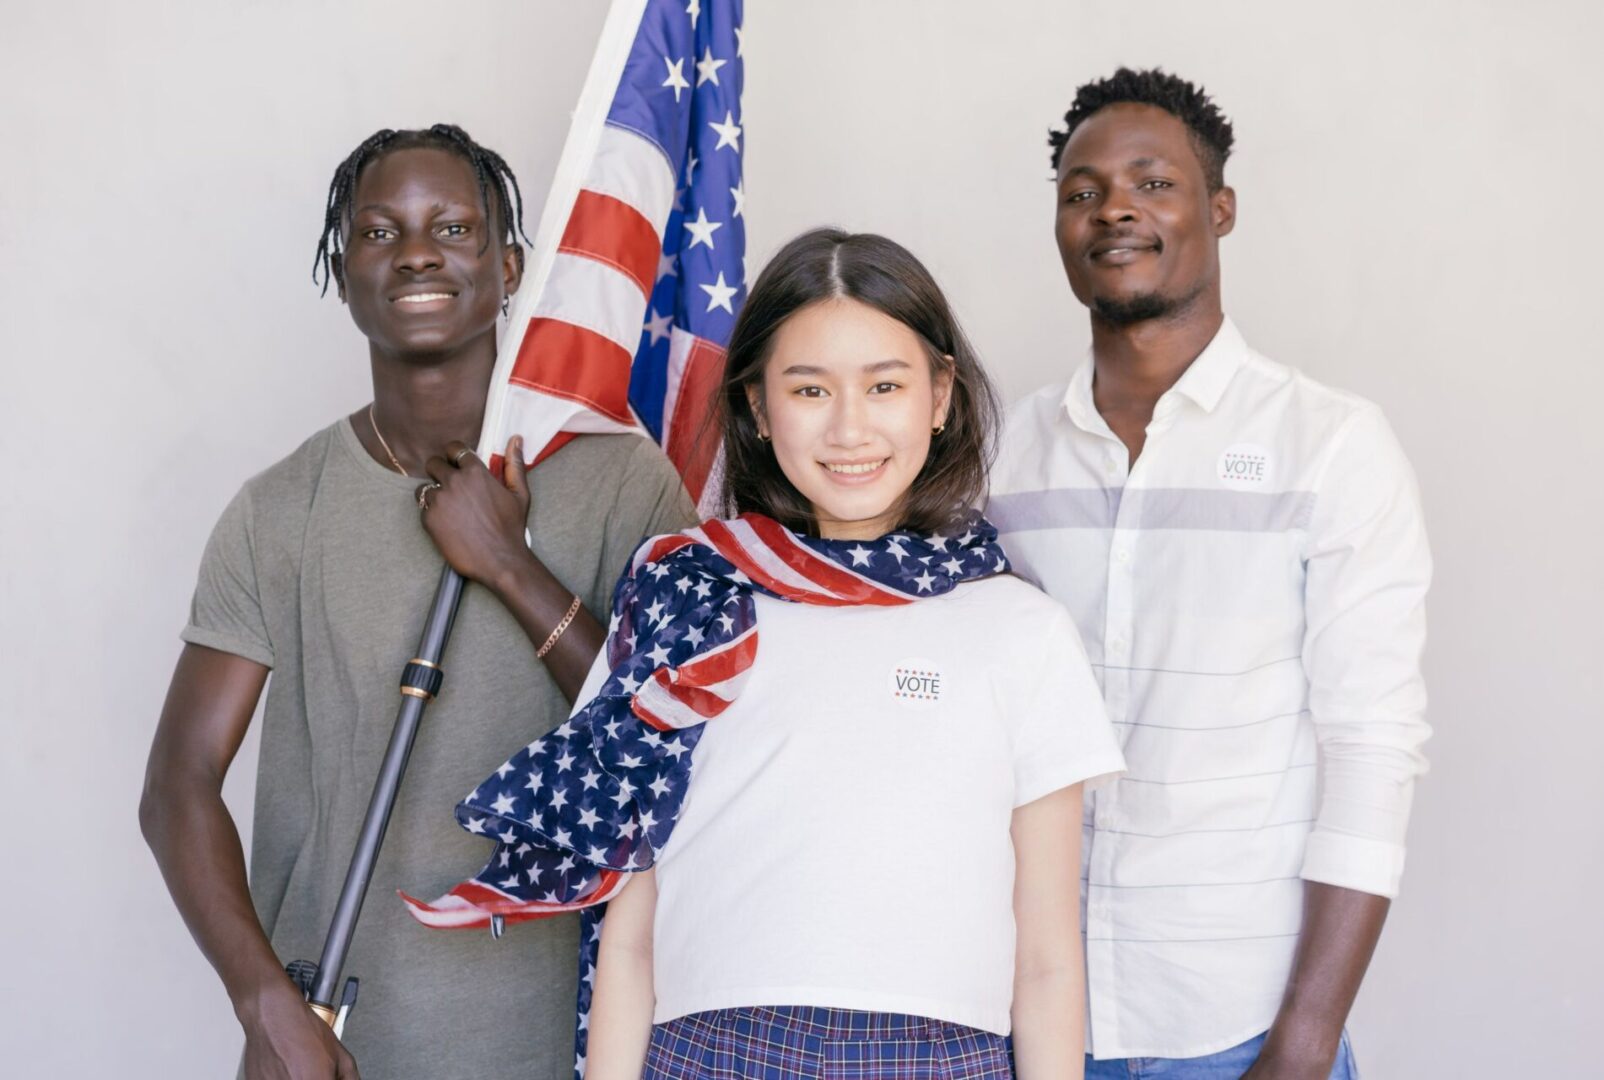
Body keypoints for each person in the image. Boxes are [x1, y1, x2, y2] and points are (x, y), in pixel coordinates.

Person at [422, 228, 1125, 1079]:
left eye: (886, 385)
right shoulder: (690, 605)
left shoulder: (1019, 630)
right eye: (809, 389)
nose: (849, 426)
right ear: (758, 407)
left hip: (944, 1057)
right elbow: (632, 940)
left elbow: (1048, 960)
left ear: (941, 396)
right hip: (711, 1051)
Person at [139, 124, 696, 1080]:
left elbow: (669, 743)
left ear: (511, 264)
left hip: (575, 1034)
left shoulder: (622, 481)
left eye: (453, 227)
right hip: (336, 1035)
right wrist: (264, 1002)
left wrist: (510, 567)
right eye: (378, 233)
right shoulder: (280, 510)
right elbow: (178, 783)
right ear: (341, 270)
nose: (418, 254)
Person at [989, 68, 1433, 1079]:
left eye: (1153, 181)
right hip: (1034, 1024)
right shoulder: (1001, 460)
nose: (1115, 210)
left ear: (1219, 209)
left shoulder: (1331, 448)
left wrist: (1306, 1042)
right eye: (1082, 190)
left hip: (1239, 1029)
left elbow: (1373, 748)